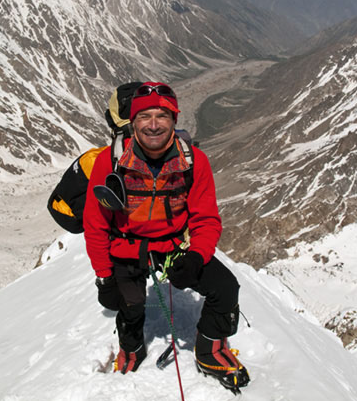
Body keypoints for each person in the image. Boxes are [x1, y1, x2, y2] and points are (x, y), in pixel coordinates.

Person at [83, 81, 249, 389]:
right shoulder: (110, 162)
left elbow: (205, 219)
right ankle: (132, 347)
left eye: (162, 115)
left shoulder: (193, 161)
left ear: (174, 119)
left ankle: (210, 351)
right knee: (129, 303)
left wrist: (196, 256)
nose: (153, 124)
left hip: (173, 243)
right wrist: (105, 277)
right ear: (132, 122)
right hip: (127, 245)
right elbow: (96, 224)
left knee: (225, 288)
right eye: (144, 116)